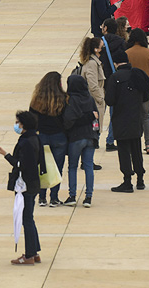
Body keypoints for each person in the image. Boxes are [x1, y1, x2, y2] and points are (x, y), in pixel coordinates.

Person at [0, 110, 44, 265]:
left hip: (25, 186)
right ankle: (34, 252)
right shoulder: (34, 138)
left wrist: (6, 155)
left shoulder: (26, 142)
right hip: (33, 183)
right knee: (29, 218)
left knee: (26, 219)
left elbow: (22, 164)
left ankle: (29, 255)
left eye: (18, 122)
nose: (16, 125)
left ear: (23, 124)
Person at [105, 51, 149, 193]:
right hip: (136, 118)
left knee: (124, 150)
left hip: (121, 119)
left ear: (116, 63)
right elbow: (145, 96)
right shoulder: (136, 74)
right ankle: (140, 180)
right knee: (136, 149)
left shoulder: (115, 78)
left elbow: (110, 100)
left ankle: (127, 181)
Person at [29, 72, 67, 207]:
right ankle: (54, 197)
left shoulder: (36, 100)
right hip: (59, 137)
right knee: (57, 168)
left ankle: (42, 197)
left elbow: (31, 120)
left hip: (42, 136)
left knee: (42, 167)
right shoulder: (63, 98)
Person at [63, 74, 99, 207]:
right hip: (91, 136)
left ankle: (72, 196)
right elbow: (95, 117)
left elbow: (69, 122)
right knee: (88, 166)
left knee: (72, 167)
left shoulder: (71, 100)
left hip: (76, 138)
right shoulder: (89, 98)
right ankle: (88, 197)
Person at [125, 28, 149, 155]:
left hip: (130, 91)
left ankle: (133, 144)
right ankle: (148, 144)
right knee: (145, 117)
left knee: (132, 118)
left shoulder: (127, 53)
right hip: (145, 91)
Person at [100, 18, 127, 151]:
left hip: (101, 81)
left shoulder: (98, 43)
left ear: (105, 28)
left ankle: (94, 138)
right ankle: (110, 141)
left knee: (99, 111)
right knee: (113, 112)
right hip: (115, 79)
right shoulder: (121, 42)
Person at [79, 37, 106, 130]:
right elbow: (93, 85)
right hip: (95, 102)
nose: (104, 48)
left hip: (95, 101)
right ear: (96, 49)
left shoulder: (95, 62)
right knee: (95, 131)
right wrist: (100, 99)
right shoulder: (92, 64)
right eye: (102, 46)